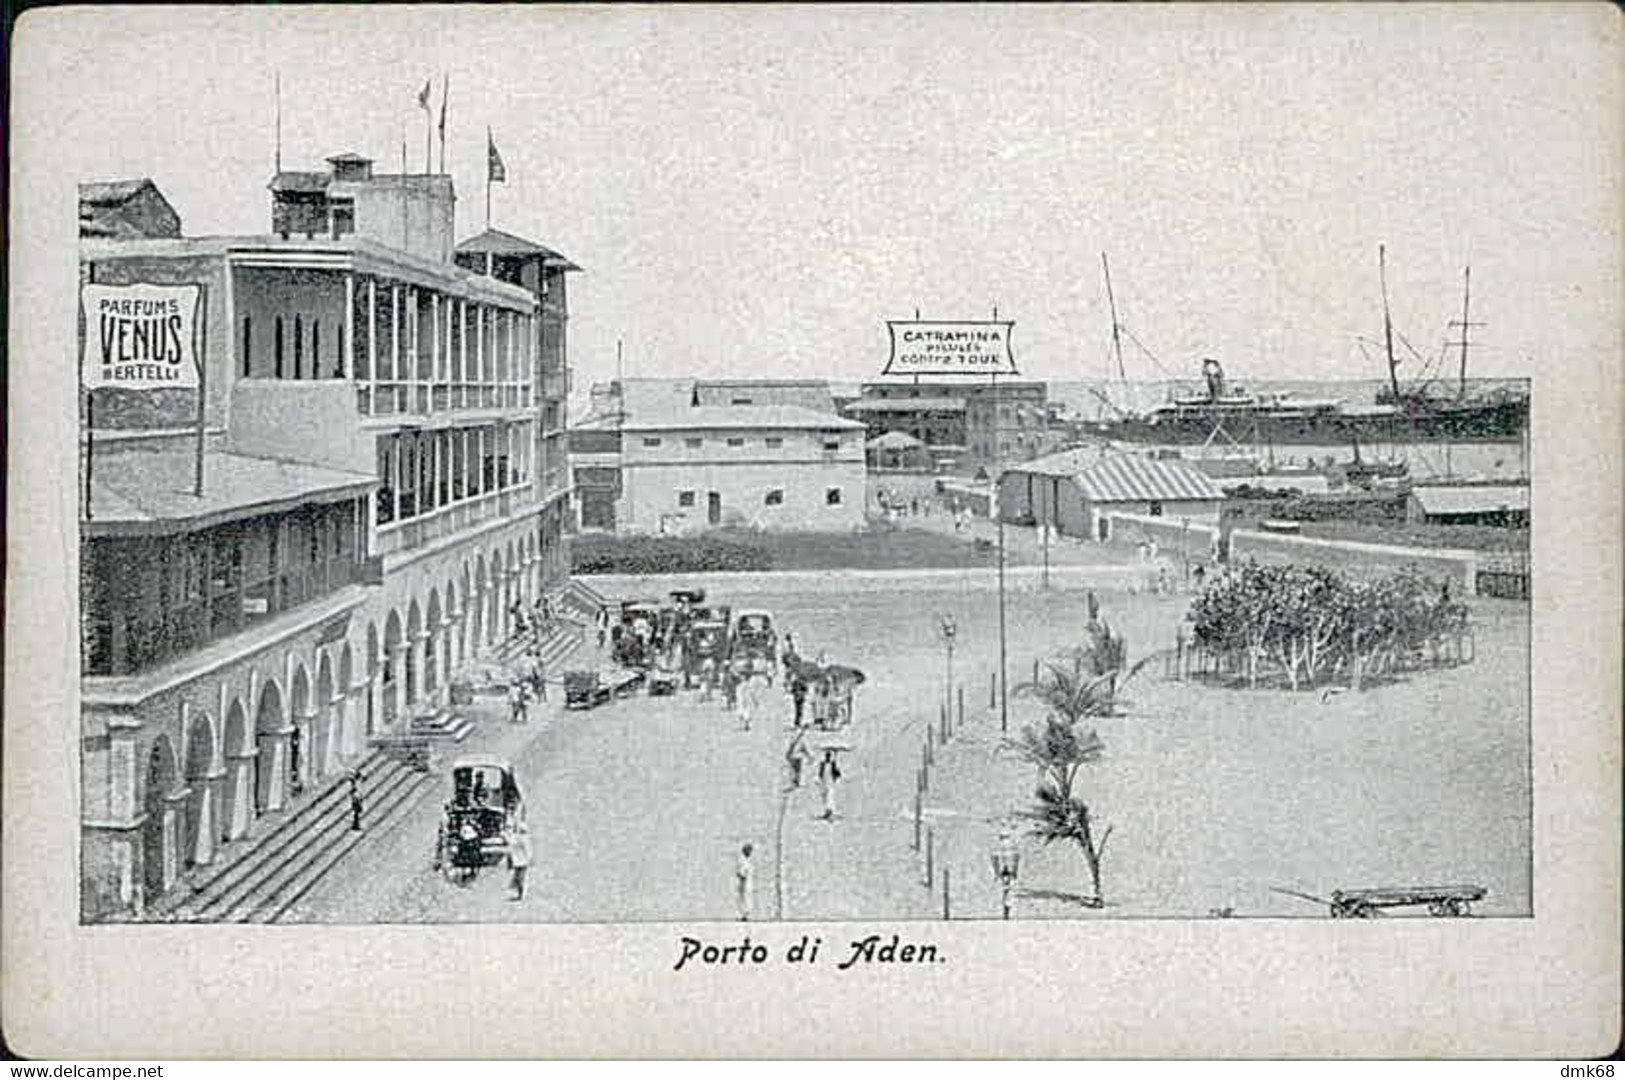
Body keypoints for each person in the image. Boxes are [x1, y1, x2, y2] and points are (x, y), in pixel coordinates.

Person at [508, 822, 532, 901]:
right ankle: (520, 892)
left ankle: (520, 892)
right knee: (520, 877)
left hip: (518, 861)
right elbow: (528, 851)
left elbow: (511, 849)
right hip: (521, 861)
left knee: (519, 877)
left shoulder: (515, 838)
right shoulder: (523, 839)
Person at [817, 751, 842, 821]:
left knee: (829, 796)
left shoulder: (833, 764)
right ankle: (827, 811)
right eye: (827, 756)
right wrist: (819, 781)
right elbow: (820, 773)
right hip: (824, 782)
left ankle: (830, 811)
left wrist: (838, 771)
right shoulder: (822, 764)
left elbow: (837, 774)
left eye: (828, 756)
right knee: (824, 797)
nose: (827, 758)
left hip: (830, 782)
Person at [734, 842, 755, 922]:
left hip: (748, 882)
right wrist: (742, 877)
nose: (750, 852)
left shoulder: (748, 860)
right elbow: (740, 872)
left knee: (747, 898)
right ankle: (742, 915)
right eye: (749, 850)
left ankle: (746, 915)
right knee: (743, 898)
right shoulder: (742, 860)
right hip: (743, 883)